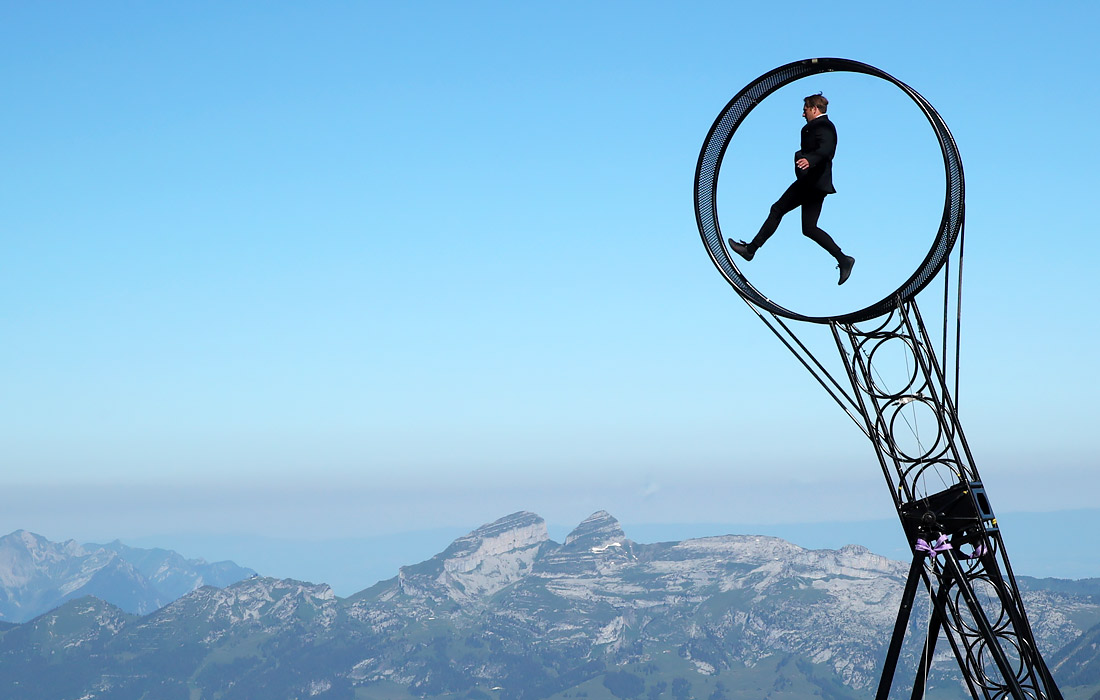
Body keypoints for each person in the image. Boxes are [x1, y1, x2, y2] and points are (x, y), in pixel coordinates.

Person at [728, 93, 856, 285]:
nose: (803, 114)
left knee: (777, 209)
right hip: (813, 183)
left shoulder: (824, 126)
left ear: (814, 109)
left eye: (805, 110)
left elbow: (827, 150)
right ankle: (843, 259)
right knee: (809, 228)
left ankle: (751, 250)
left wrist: (809, 160)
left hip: (813, 183)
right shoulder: (813, 127)